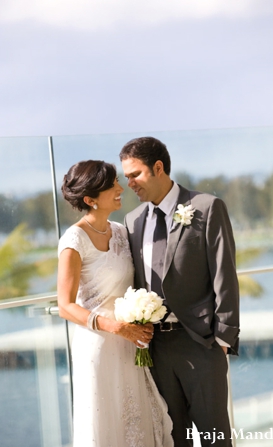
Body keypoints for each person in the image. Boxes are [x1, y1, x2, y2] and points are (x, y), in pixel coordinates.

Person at [120, 137, 240, 447]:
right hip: (155, 348)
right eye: (126, 176)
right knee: (172, 437)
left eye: (135, 174)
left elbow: (224, 275)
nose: (129, 182)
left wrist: (222, 339)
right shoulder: (132, 221)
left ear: (158, 168)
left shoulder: (206, 207)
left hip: (200, 343)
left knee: (216, 437)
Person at [57, 159, 173, 447]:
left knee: (141, 420)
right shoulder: (74, 240)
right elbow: (65, 306)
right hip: (98, 344)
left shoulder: (121, 231)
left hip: (130, 342)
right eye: (112, 186)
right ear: (90, 200)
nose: (121, 188)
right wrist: (116, 327)